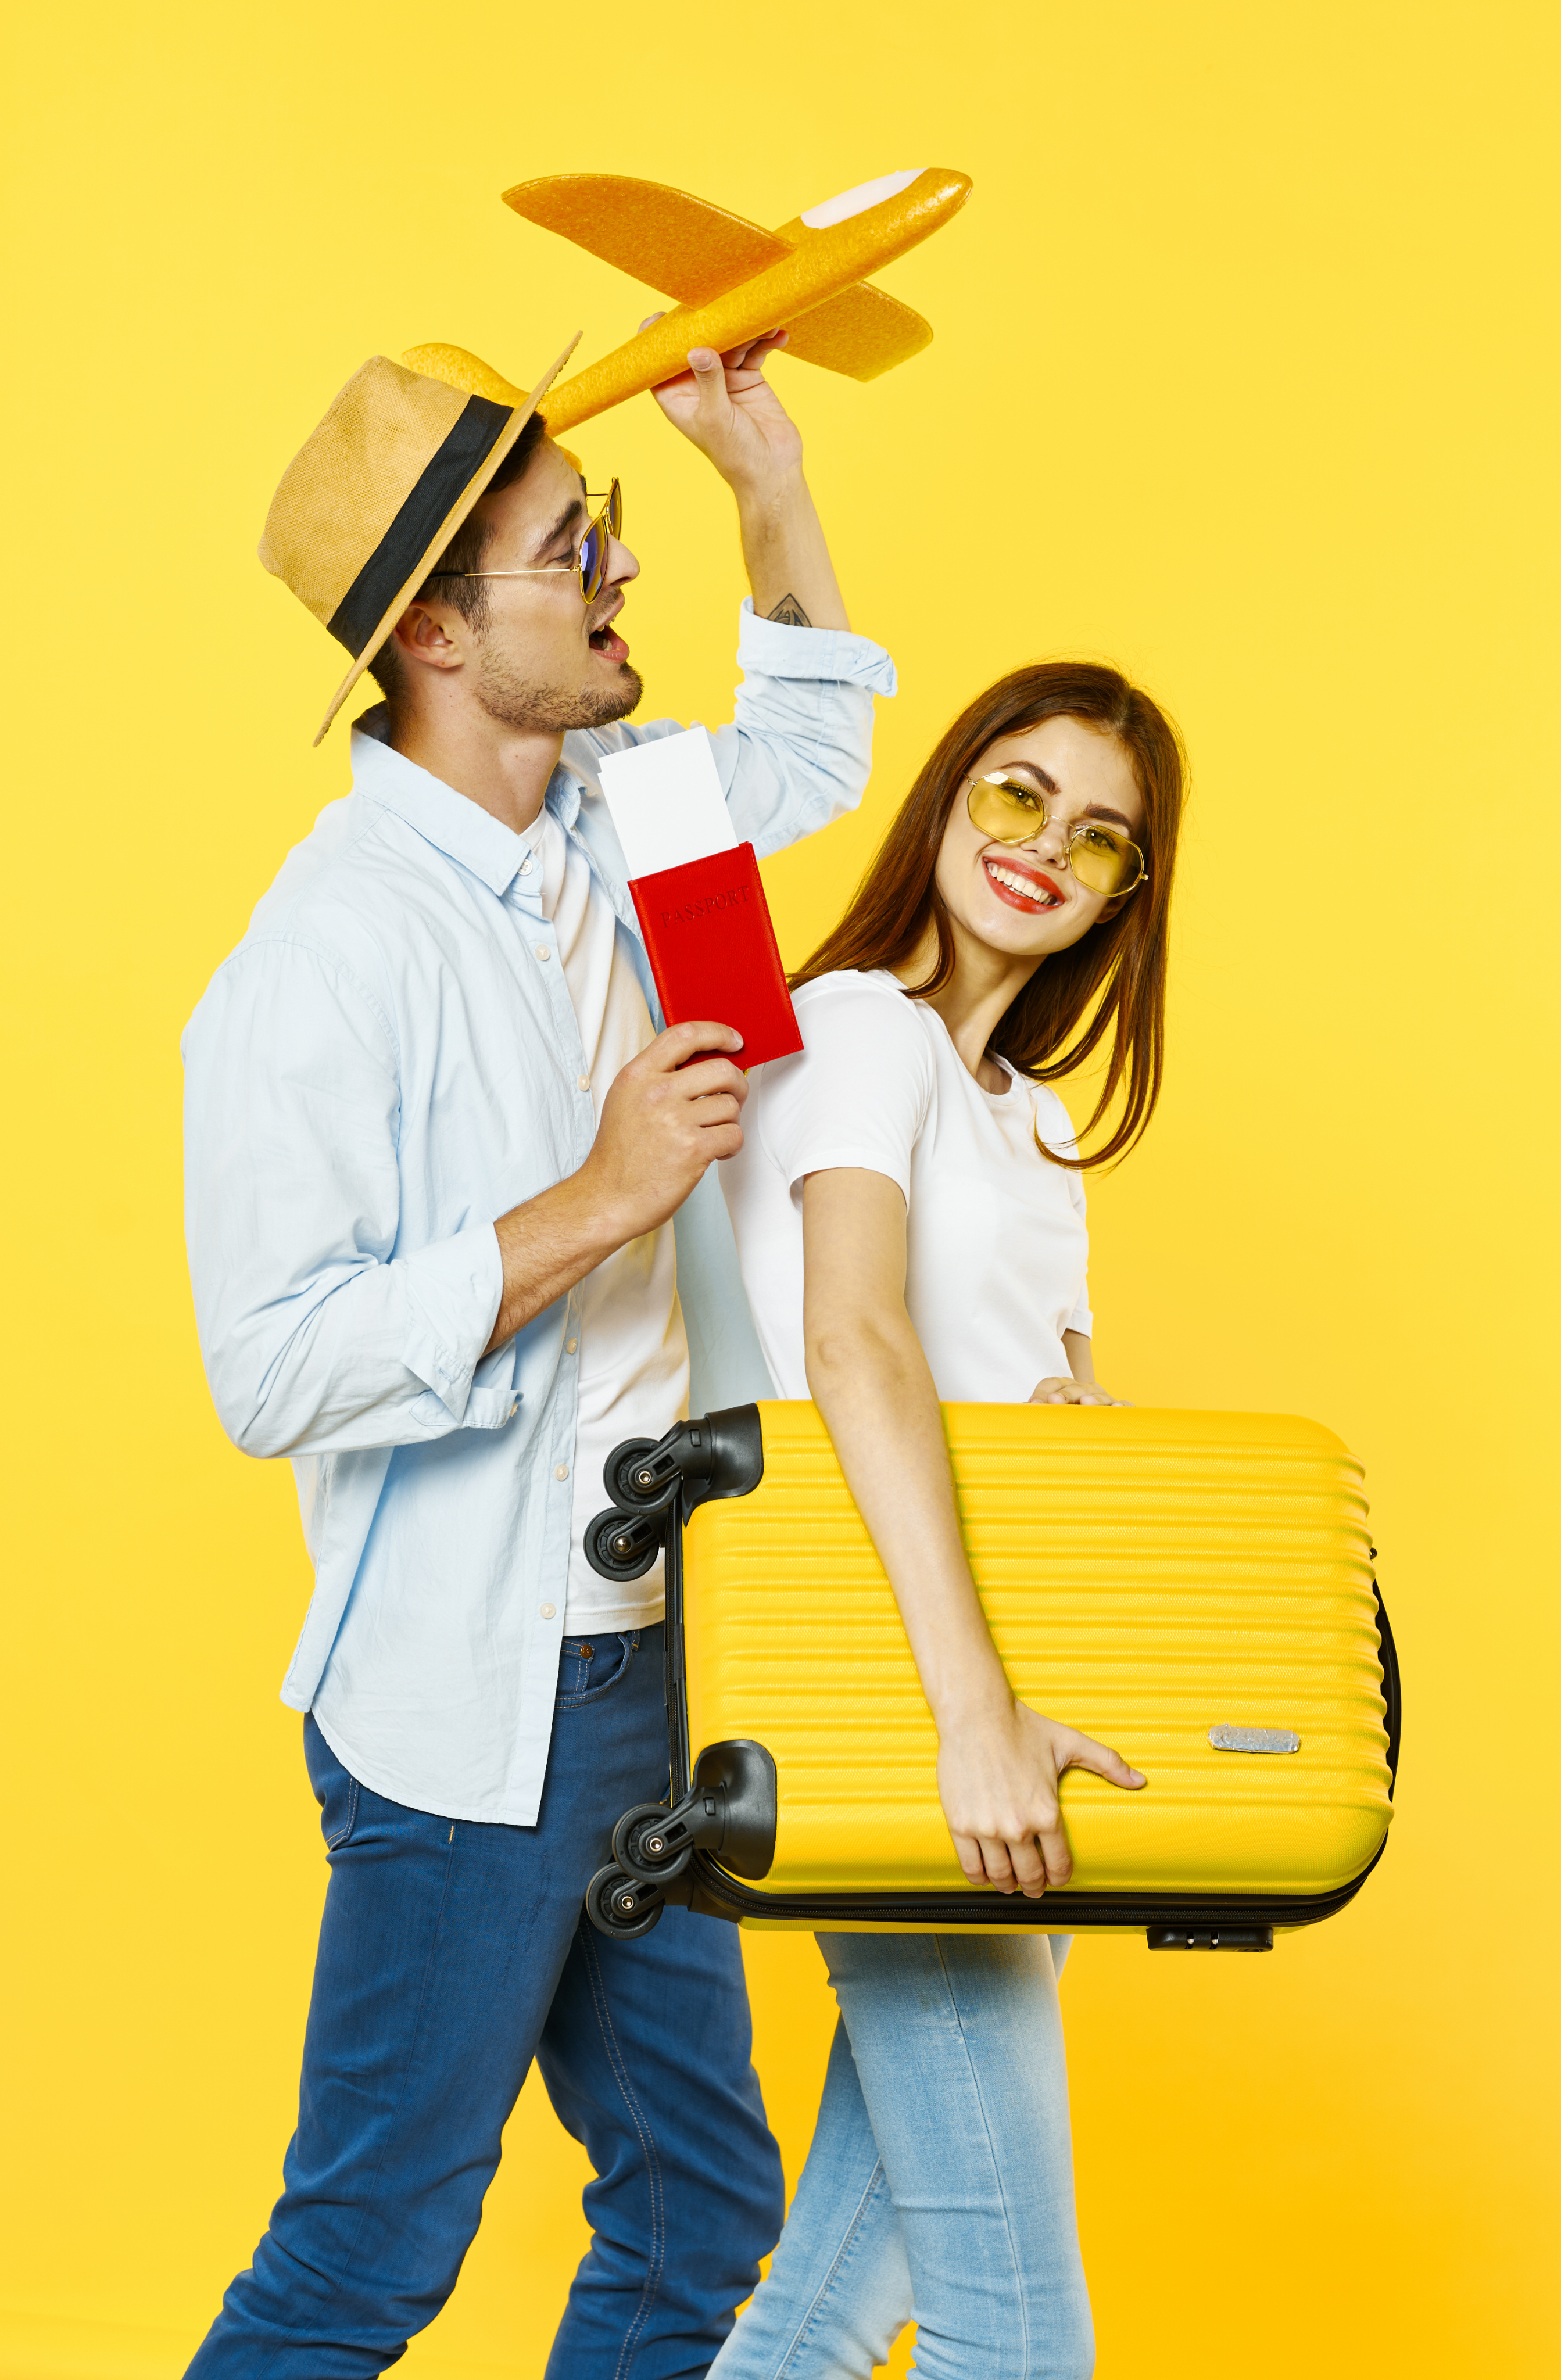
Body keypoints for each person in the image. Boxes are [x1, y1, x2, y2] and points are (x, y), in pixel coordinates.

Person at [180, 324, 895, 2378]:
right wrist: (593, 1198)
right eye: (571, 548)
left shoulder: (624, 805)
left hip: (666, 1643)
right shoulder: (321, 963)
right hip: (473, 1702)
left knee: (697, 2211)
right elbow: (269, 1366)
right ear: (429, 628)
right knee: (364, 2260)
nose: (615, 578)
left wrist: (761, 476)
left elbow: (823, 755)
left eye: (606, 531)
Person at [713, 662, 1187, 2380]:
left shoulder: (1037, 1122)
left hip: (1015, 1711)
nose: (1044, 848)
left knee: (833, 2297)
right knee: (1015, 2337)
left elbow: (1040, 1412)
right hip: (907, 1697)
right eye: (1015, 792)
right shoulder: (854, 1028)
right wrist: (969, 1718)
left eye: (1100, 839)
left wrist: (1081, 1435)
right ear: (946, 793)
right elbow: (849, 1335)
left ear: (1125, 895)